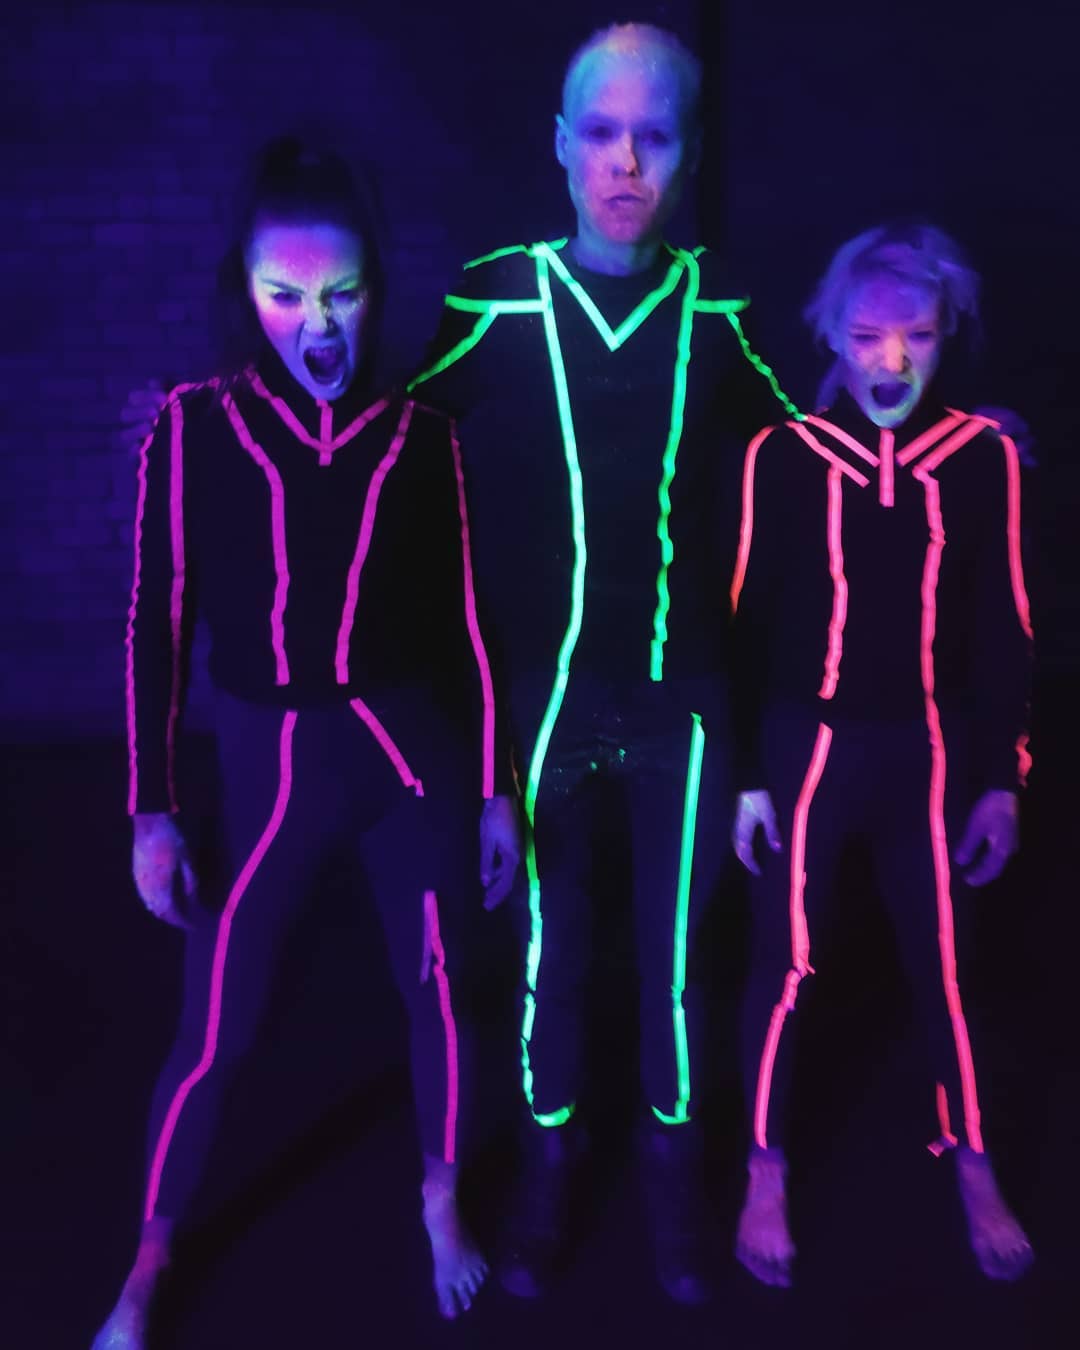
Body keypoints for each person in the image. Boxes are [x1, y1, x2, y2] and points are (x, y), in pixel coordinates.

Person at [92, 137, 521, 1349]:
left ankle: (440, 1198)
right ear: (244, 288)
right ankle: (147, 1259)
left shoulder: (422, 437)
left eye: (342, 294)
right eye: (285, 296)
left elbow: (470, 622)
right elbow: (155, 621)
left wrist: (496, 789)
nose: (317, 326)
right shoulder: (191, 428)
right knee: (214, 1033)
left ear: (376, 288)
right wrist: (152, 808)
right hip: (270, 770)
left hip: (409, 762)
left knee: (443, 993)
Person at [407, 21, 797, 1303]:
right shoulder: (497, 297)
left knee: (677, 965)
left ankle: (675, 1200)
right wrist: (230, 418)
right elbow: (381, 441)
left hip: (685, 698)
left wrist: (965, 434)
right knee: (550, 957)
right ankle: (546, 1183)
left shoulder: (719, 308)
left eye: (655, 135)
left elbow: (818, 454)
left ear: (689, 153)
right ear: (562, 144)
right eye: (604, 132)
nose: (627, 161)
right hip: (546, 700)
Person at [729, 221, 1035, 1287]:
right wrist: (746, 777)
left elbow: (1003, 627)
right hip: (807, 743)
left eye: (917, 335)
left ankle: (975, 1161)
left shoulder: (984, 458)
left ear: (950, 332)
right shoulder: (783, 457)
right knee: (788, 962)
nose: (893, 359)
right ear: (833, 335)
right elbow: (742, 623)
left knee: (946, 964)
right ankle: (764, 1164)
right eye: (868, 336)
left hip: (933, 748)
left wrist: (1002, 779)